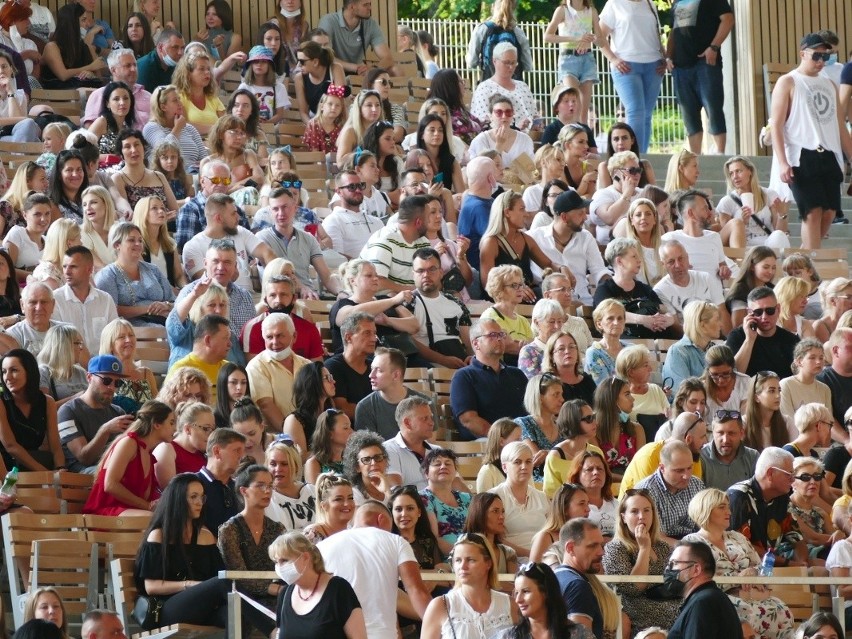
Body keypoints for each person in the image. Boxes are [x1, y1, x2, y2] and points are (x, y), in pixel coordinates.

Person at [134, 473, 249, 631]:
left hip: (201, 607)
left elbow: (216, 576)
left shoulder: (206, 536)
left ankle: (272, 628)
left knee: (236, 615)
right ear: (178, 500)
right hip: (167, 608)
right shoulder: (159, 535)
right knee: (223, 581)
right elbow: (152, 587)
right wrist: (189, 585)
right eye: (193, 497)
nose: (199, 502)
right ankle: (273, 629)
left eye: (202, 497)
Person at [770, 33, 852, 249]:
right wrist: (782, 162)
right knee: (813, 211)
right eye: (816, 55)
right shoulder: (788, 81)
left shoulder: (830, 85)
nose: (821, 62)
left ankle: (808, 255)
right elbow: (776, 124)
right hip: (802, 153)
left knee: (830, 212)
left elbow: (840, 125)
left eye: (826, 57)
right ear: (802, 53)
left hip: (830, 153)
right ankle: (810, 260)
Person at [683, 488, 794, 639]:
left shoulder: (738, 537)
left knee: (781, 610)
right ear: (705, 510)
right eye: (722, 507)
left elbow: (762, 566)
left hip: (754, 597)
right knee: (748, 614)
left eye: (728, 506)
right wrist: (736, 582)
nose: (728, 511)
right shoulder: (692, 543)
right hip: (720, 600)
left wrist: (752, 572)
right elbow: (692, 581)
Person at [317, 500, 431, 639]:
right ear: (381, 519)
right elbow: (416, 590)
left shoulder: (323, 546)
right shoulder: (396, 541)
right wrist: (443, 626)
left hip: (334, 632)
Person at [602, 488, 680, 634]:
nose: (641, 516)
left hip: (671, 602)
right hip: (637, 608)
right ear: (623, 517)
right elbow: (633, 589)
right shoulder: (615, 548)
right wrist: (644, 549)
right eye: (634, 511)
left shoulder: (663, 546)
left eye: (646, 510)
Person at [217, 463, 283, 634]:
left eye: (270, 486)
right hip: (243, 596)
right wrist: (273, 589)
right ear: (243, 490)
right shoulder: (229, 529)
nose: (267, 491)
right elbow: (237, 575)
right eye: (260, 486)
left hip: (277, 594)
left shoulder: (277, 528)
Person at [270, 530, 367, 639]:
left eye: (284, 560)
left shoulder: (338, 589)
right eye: (276, 562)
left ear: (305, 557)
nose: (279, 567)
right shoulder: (285, 594)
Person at [82, 399, 173, 516]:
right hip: (104, 512)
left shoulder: (148, 453)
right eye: (171, 422)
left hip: (130, 514)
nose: (174, 429)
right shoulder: (129, 443)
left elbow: (143, 498)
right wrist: (147, 506)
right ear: (157, 424)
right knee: (152, 519)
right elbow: (110, 485)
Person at [420, 531, 517, 639]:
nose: (463, 566)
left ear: (488, 563)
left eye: (470, 560)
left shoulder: (510, 605)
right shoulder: (440, 606)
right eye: (458, 560)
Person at [667, 0, 734, 154]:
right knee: (689, 115)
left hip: (705, 62)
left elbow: (728, 19)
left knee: (713, 108)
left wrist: (714, 47)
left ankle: (719, 154)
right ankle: (695, 157)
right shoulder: (676, 2)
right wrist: (668, 57)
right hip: (680, 66)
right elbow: (673, 31)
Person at [450, 318, 527, 440]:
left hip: (522, 441)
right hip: (486, 443)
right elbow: (468, 419)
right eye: (492, 335)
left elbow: (532, 411)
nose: (499, 339)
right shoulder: (464, 376)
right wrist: (501, 438)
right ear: (476, 343)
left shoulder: (517, 374)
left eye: (501, 334)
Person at [527, 191, 608, 306]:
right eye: (580, 213)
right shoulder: (534, 237)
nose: (585, 217)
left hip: (583, 304)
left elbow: (598, 270)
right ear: (564, 217)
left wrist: (613, 282)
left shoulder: (586, 237)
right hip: (547, 304)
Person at [256, 188, 340, 299]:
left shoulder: (309, 239)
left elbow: (327, 277)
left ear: (295, 208)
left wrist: (341, 293)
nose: (281, 213)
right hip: (277, 298)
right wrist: (302, 288)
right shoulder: (262, 238)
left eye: (285, 207)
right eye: (275, 209)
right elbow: (279, 273)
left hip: (308, 297)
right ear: (270, 212)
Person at [727, 446, 807, 563]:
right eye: (789, 474)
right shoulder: (738, 497)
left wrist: (801, 564)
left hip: (773, 565)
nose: (793, 480)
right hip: (745, 569)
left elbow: (797, 539)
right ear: (770, 473)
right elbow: (742, 547)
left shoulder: (782, 497)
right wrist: (786, 564)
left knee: (818, 568)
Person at [57, 354, 134, 473]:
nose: (111, 387)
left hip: (112, 470)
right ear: (89, 377)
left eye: (117, 383)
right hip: (80, 477)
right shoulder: (67, 411)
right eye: (106, 380)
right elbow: (84, 458)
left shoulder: (118, 411)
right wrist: (105, 430)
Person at [594, 237, 680, 339]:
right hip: (626, 344)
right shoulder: (604, 289)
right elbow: (608, 314)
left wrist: (666, 320)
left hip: (658, 342)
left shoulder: (645, 289)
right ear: (620, 261)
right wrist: (643, 320)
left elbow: (666, 311)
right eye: (634, 256)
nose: (639, 260)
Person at [94, 223, 175, 327]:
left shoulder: (153, 269)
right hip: (129, 328)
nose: (138, 244)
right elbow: (110, 310)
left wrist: (166, 305)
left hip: (164, 321)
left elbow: (173, 300)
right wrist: (148, 309)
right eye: (131, 240)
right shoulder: (107, 275)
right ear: (117, 245)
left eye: (140, 240)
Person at [405, 247, 472, 368]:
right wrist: (443, 360)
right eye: (420, 271)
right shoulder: (407, 303)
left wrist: (472, 359)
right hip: (427, 370)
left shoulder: (456, 303)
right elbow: (410, 342)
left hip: (460, 364)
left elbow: (467, 342)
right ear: (413, 275)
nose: (426, 275)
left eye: (432, 269)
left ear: (441, 272)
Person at [555, 518, 621, 639]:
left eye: (601, 545)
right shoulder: (577, 586)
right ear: (570, 548)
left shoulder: (555, 578)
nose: (601, 552)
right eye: (592, 546)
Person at [665, 540, 744, 639]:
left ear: (696, 569)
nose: (668, 569)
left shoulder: (703, 602)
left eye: (674, 563)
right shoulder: (710, 598)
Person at [0, 347, 62, 471]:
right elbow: (10, 445)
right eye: (4, 371)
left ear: (29, 372)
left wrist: (61, 468)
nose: (7, 377)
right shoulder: (1, 401)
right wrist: (44, 473)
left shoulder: (47, 402)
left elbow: (55, 446)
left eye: (14, 370)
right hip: (5, 465)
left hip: (34, 461)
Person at [246, 313, 310, 430]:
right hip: (277, 439)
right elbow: (266, 405)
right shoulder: (256, 366)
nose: (275, 342)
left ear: (294, 336)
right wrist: (292, 436)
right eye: (269, 337)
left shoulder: (307, 365)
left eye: (280, 336)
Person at [633, 440, 705, 541]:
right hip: (660, 545)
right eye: (679, 471)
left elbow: (705, 525)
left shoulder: (696, 484)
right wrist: (685, 548)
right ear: (662, 468)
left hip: (693, 540)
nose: (686, 476)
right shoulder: (646, 491)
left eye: (689, 468)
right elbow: (654, 536)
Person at [51, 247, 117, 355]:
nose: (67, 272)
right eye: (64, 266)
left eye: (73, 267)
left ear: (89, 270)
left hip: (102, 365)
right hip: (70, 366)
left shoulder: (106, 299)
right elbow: (57, 343)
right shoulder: (55, 299)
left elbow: (115, 336)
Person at [488, 441, 548, 556]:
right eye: (517, 462)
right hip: (509, 559)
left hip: (543, 558)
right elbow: (494, 538)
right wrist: (531, 555)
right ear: (504, 467)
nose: (524, 467)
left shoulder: (541, 497)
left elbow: (552, 532)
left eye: (528, 462)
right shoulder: (493, 497)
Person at [355, 348, 430, 440]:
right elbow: (368, 450)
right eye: (371, 369)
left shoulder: (425, 403)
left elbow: (429, 447)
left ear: (396, 375)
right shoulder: (365, 407)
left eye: (378, 370)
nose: (371, 375)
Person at [725, 287, 799, 378]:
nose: (764, 317)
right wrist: (749, 339)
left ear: (778, 309)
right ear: (749, 313)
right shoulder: (737, 336)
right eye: (758, 312)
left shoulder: (791, 340)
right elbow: (734, 375)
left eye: (770, 311)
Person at [470, 42, 536, 132]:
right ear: (494, 61)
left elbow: (534, 114)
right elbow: (482, 122)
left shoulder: (523, 86)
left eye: (514, 63)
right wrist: (515, 129)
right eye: (506, 62)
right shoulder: (485, 88)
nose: (511, 67)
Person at [325, 312, 377, 424]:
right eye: (367, 333)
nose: (374, 338)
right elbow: (343, 409)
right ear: (348, 337)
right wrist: (378, 410)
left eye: (374, 333)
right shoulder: (332, 366)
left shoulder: (375, 366)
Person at [786, 455, 841, 562]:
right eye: (805, 477)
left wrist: (839, 534)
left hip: (823, 553)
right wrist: (840, 538)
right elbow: (812, 538)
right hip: (797, 556)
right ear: (792, 482)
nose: (813, 482)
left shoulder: (820, 512)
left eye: (817, 477)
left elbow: (833, 534)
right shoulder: (786, 507)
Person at [166, 314, 231, 402]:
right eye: (225, 338)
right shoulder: (181, 370)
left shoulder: (230, 369)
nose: (230, 344)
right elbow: (168, 406)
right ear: (208, 340)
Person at [317, 0, 393, 75]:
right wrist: (355, 68)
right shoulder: (329, 21)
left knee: (395, 70)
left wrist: (373, 70)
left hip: (360, 72)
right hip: (334, 70)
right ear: (352, 7)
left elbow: (388, 58)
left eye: (369, 4)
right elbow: (325, 55)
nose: (370, 8)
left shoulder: (371, 24)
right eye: (365, 5)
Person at [321, 171, 385, 260]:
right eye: (352, 187)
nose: (358, 190)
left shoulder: (377, 222)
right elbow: (337, 258)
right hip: (354, 271)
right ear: (339, 192)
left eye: (360, 186)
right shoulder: (333, 220)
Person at [663, 301, 723, 392]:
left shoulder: (717, 350)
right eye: (717, 319)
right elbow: (681, 392)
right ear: (702, 325)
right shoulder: (678, 351)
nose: (721, 324)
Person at [195, 427, 245, 538]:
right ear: (217, 451)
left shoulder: (240, 488)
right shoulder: (190, 484)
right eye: (237, 450)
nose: (242, 456)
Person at [153, 401, 212, 488]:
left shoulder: (205, 453)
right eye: (206, 429)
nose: (210, 434)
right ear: (188, 429)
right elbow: (170, 493)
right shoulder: (167, 449)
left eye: (212, 429)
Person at [529, 482, 591, 562]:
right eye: (581, 503)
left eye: (588, 503)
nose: (588, 509)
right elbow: (534, 572)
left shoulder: (587, 535)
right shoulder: (545, 537)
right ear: (564, 508)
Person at [457, 156, 497, 273]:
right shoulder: (478, 207)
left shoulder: (471, 196)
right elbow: (496, 238)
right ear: (491, 178)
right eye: (496, 170)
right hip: (483, 269)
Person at [266, 439, 317, 531]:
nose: (278, 469)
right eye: (273, 464)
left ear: (296, 466)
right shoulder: (265, 498)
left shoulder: (312, 491)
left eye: (284, 464)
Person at [461, 492, 518, 574]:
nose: (501, 516)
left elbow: (514, 585)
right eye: (495, 511)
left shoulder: (508, 553)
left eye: (502, 512)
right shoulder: (462, 549)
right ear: (480, 514)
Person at [743, 370, 797, 451]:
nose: (778, 396)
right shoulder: (743, 423)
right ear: (756, 397)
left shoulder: (787, 422)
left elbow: (794, 453)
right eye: (771, 391)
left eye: (779, 390)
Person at [343, 430, 401, 505]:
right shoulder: (354, 495)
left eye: (378, 457)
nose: (373, 463)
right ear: (357, 467)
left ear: (386, 461)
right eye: (366, 460)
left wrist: (387, 492)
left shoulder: (393, 489)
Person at [781, 340, 833, 421]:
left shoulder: (825, 389)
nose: (818, 362)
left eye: (821, 357)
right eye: (812, 358)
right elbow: (789, 421)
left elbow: (828, 421)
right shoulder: (786, 384)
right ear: (799, 361)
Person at [817, 328, 852, 435]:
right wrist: (847, 441)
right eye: (851, 347)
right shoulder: (822, 381)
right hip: (840, 444)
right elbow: (825, 419)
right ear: (836, 351)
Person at [303, 473, 356, 542]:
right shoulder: (313, 533)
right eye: (338, 499)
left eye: (350, 498)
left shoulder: (354, 533)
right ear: (324, 505)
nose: (346, 503)